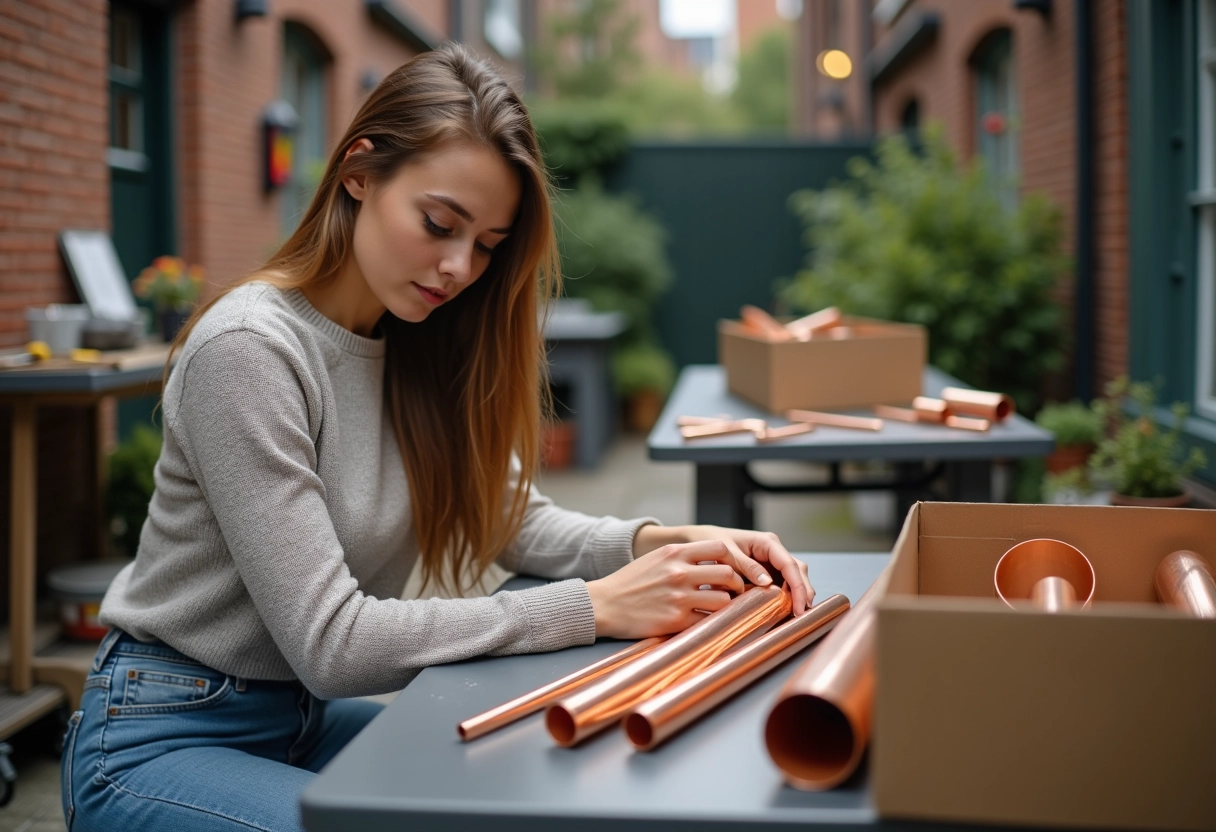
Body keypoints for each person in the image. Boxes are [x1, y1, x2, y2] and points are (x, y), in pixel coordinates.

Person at [61, 44, 814, 832]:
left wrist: (661, 543)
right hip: (162, 733)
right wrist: (595, 607)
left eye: (487, 244)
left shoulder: (417, 337)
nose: (459, 267)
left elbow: (510, 520)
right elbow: (332, 642)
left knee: (523, 791)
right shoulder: (250, 349)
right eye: (439, 224)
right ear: (359, 172)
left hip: (302, 721)